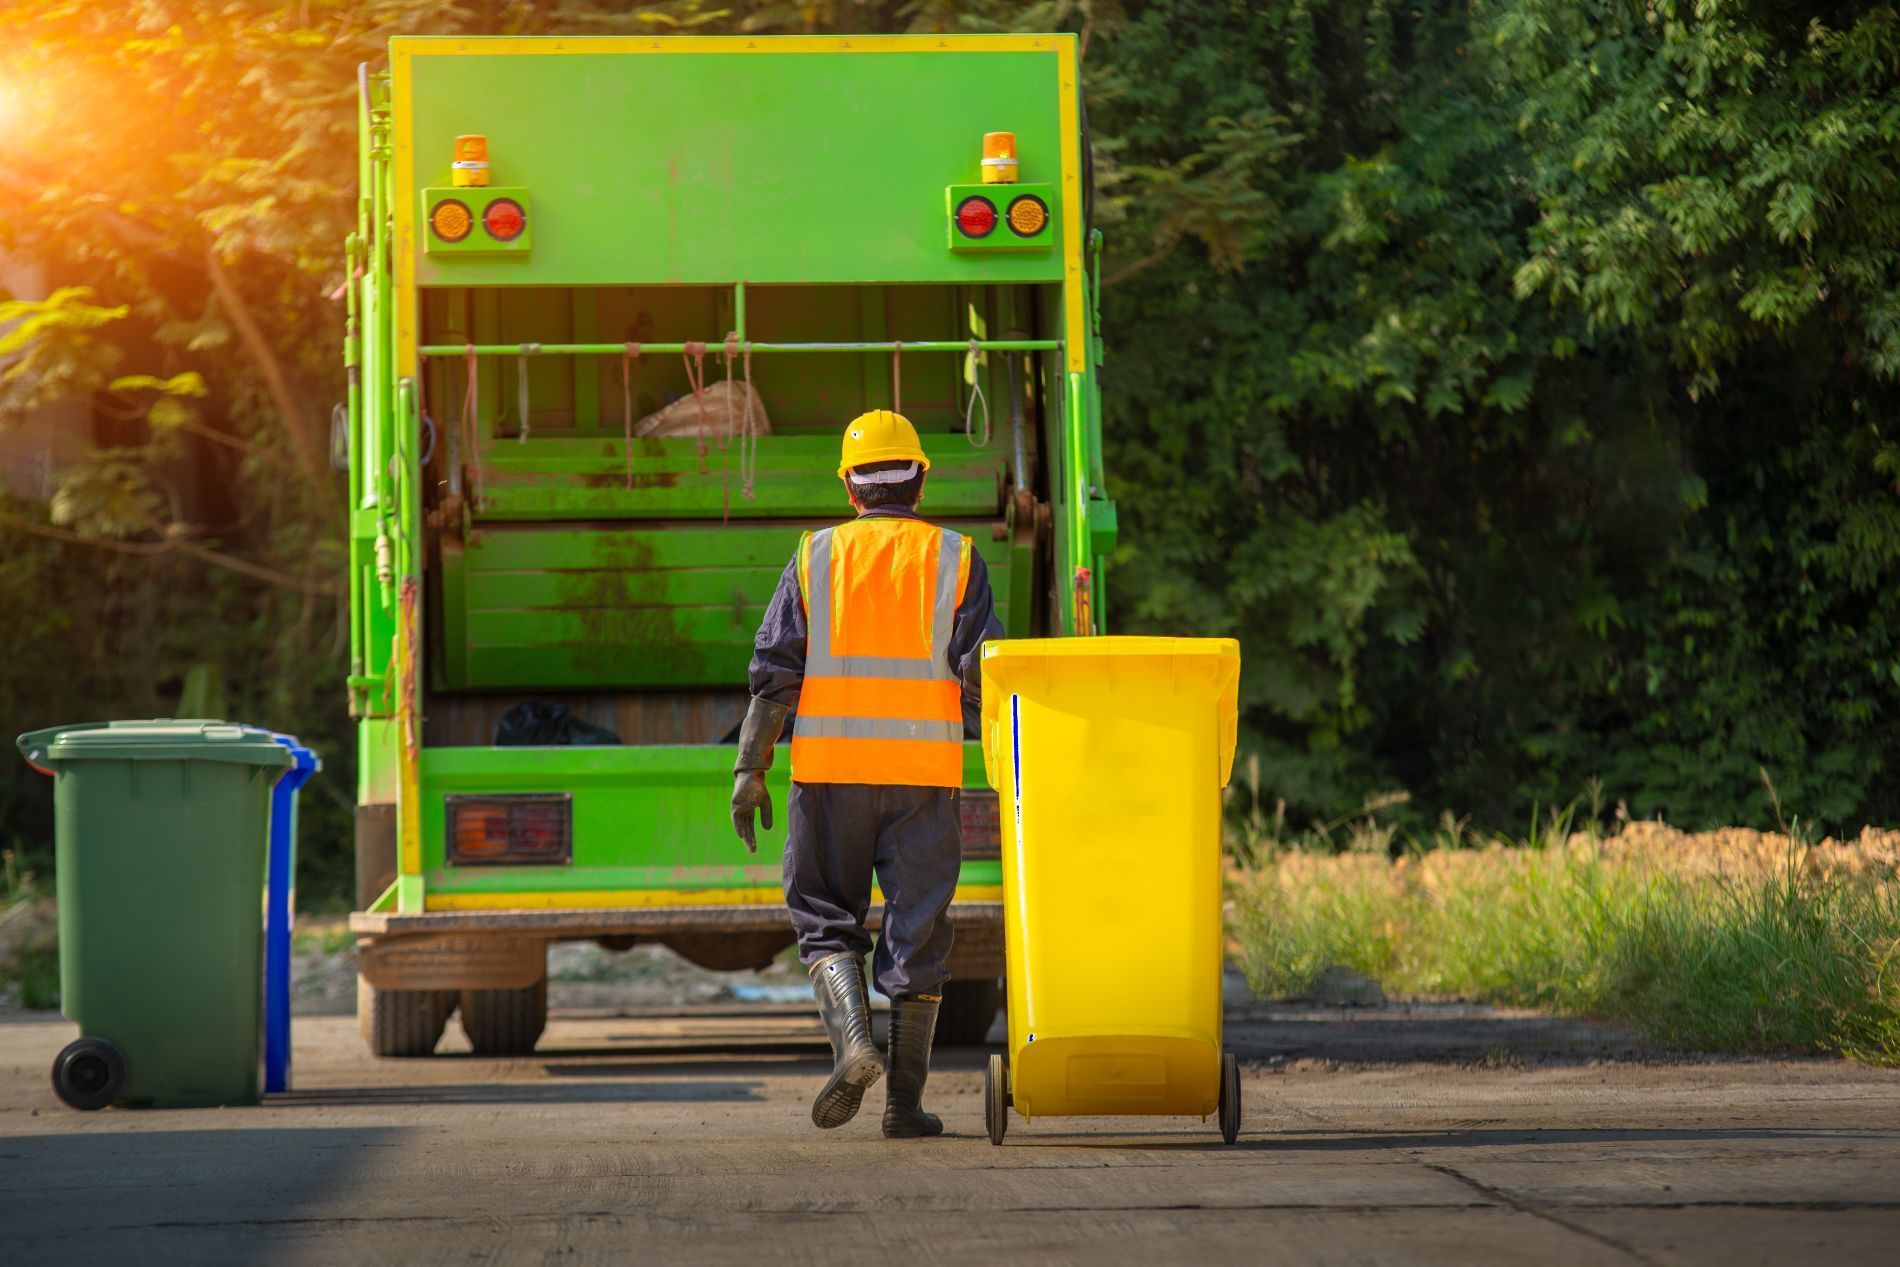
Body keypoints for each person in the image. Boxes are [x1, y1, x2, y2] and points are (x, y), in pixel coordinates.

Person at [730, 409, 1002, 1137]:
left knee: (824, 919)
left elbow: (774, 671)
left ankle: (854, 1044)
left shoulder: (815, 556)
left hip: (829, 776)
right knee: (918, 934)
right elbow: (985, 672)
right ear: (920, 479)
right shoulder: (958, 556)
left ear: (850, 486)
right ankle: (904, 1107)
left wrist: (748, 767)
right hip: (923, 776)